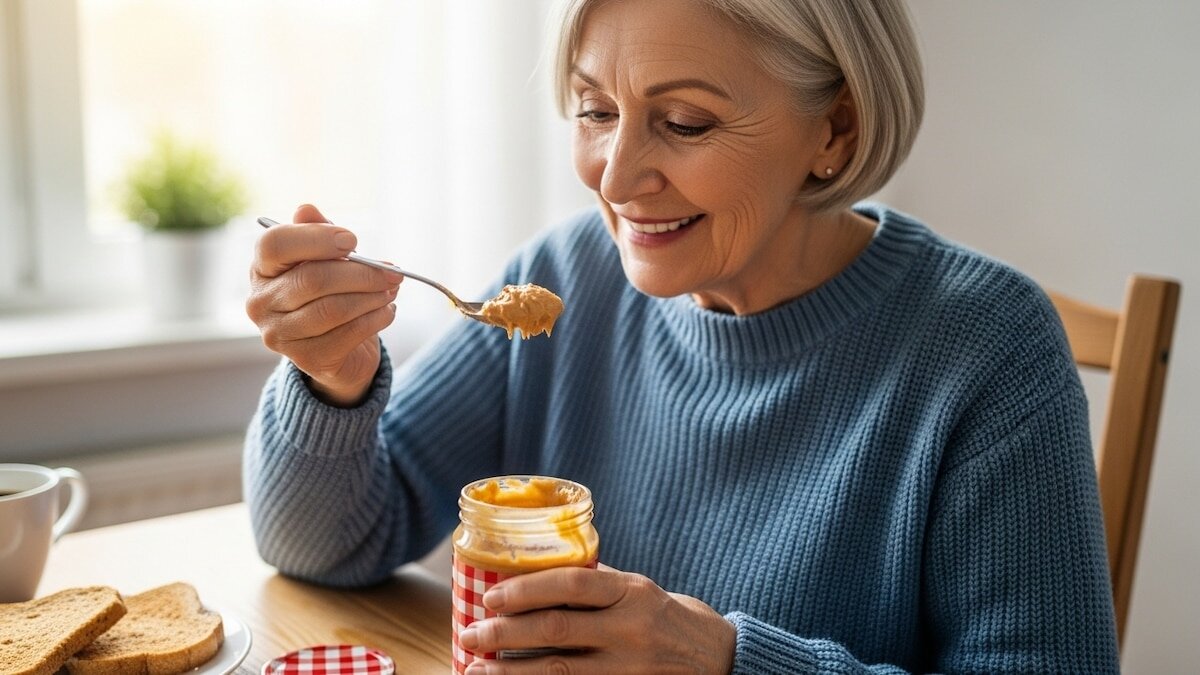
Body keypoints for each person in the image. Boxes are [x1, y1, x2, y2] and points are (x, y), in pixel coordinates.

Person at [243, 0, 1120, 672]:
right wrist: (333, 379)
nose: (616, 178)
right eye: (595, 110)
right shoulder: (563, 278)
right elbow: (323, 545)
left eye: (685, 122)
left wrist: (728, 661)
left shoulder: (987, 345)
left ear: (836, 129)